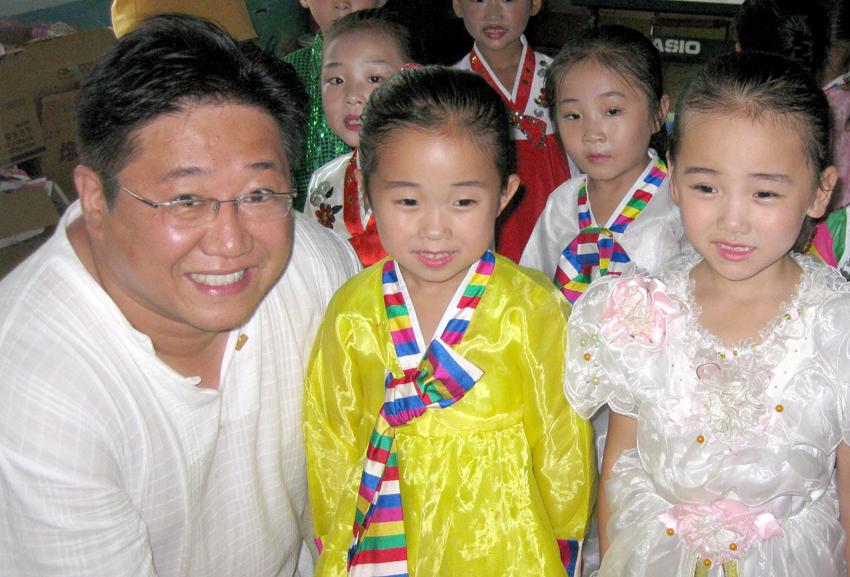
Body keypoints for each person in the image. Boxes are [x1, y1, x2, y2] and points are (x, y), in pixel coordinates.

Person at [0, 14, 360, 577]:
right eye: (186, 200)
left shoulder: (314, 267)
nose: (230, 242)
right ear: (95, 199)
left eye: (258, 193)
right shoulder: (38, 391)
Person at [304, 66, 596, 577]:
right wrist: (333, 534)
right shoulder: (352, 312)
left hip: (505, 546)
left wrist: (564, 539)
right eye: (408, 201)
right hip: (382, 536)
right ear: (368, 193)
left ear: (504, 194)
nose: (434, 229)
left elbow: (561, 437)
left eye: (463, 201)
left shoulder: (531, 309)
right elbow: (330, 434)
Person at [566, 51, 848, 576]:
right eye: (706, 188)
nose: (732, 219)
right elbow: (621, 467)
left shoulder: (838, 325)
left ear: (819, 191)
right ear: (673, 180)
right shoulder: (641, 309)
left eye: (764, 192)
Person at [521, 24, 681, 304]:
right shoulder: (562, 205)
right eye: (573, 115)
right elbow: (530, 294)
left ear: (658, 113)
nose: (592, 134)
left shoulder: (678, 205)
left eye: (612, 111)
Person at [452, 0, 573, 262]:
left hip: (559, 224)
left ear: (534, 3)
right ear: (457, 5)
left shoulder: (566, 78)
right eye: (479, 0)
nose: (493, 13)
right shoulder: (448, 88)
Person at [304, 9, 412, 266]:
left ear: (411, 79)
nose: (352, 96)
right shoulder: (323, 184)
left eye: (374, 78)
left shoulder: (443, 173)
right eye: (336, 80)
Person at [284, 0, 387, 212]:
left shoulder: (417, 82)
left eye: (374, 78)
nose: (341, 3)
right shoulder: (283, 76)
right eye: (335, 80)